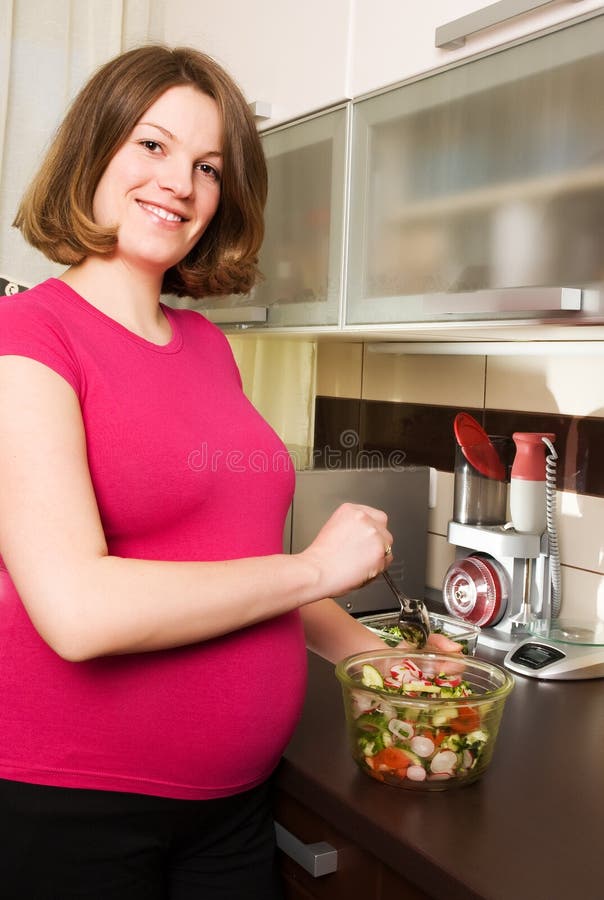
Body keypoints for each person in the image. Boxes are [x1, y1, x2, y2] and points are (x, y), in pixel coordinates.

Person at [0, 44, 458, 899]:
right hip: (70, 810)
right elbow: (76, 612)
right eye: (151, 145)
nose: (180, 182)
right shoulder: (27, 340)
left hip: (233, 807)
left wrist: (373, 658)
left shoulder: (209, 348)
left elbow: (236, 563)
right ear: (91, 151)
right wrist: (320, 566)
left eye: (208, 165)